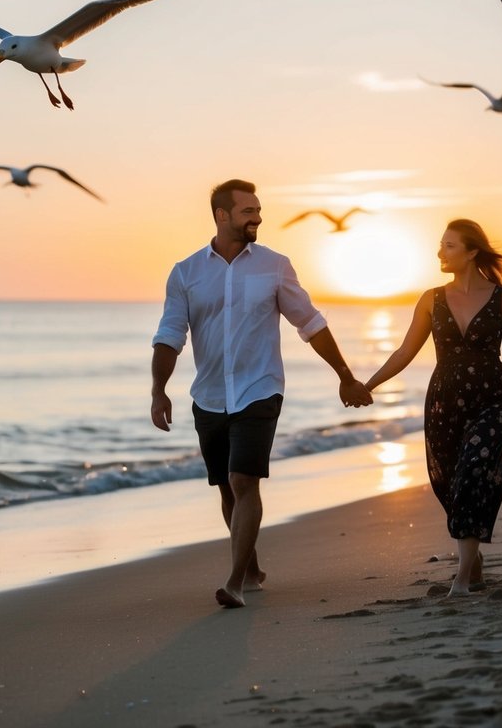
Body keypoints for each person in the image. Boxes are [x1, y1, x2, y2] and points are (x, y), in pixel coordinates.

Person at [150, 179, 373, 609]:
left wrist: (345, 375)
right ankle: (250, 565)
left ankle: (235, 582)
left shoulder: (274, 265)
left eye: (258, 210)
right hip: (210, 395)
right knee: (227, 490)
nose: (257, 218)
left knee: (242, 480)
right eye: (248, 211)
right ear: (222, 215)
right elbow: (169, 335)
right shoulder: (186, 273)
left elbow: (308, 322)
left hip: (260, 388)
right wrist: (159, 391)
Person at [365, 219, 502, 597]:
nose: (440, 253)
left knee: (473, 476)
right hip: (444, 404)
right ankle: (473, 562)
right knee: (449, 484)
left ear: (471, 251)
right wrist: (369, 385)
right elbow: (404, 351)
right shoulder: (430, 299)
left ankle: (461, 581)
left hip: (493, 400)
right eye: (440, 245)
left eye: (449, 246)